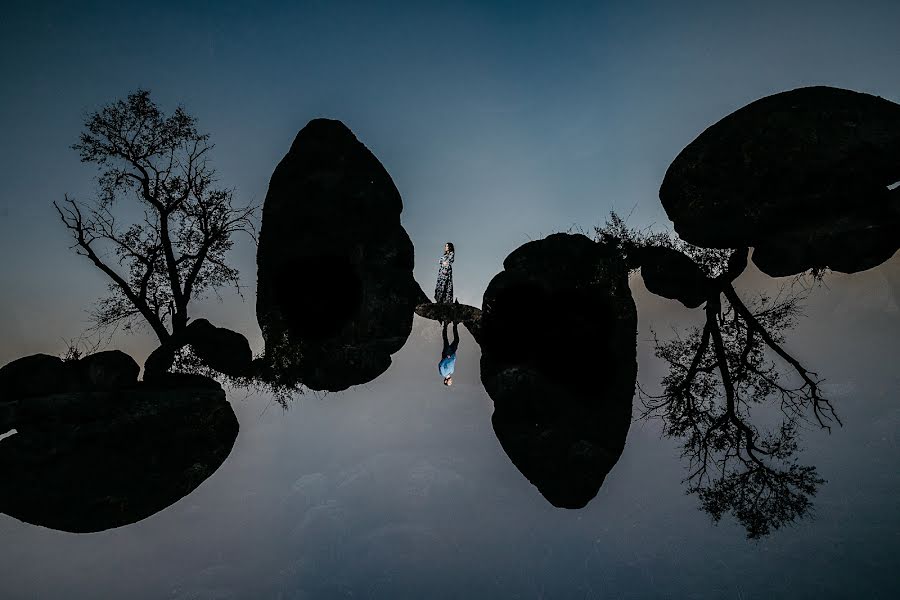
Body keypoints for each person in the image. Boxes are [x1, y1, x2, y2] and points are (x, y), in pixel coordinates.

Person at [438, 320, 459, 386]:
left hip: (446, 354)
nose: (451, 382)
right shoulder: (452, 372)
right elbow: (453, 362)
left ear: (445, 381)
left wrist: (446, 358)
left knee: (445, 339)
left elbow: (440, 365)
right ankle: (455, 324)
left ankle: (445, 324)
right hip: (452, 353)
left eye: (449, 383)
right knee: (457, 340)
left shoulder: (443, 373)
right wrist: (454, 356)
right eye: (451, 383)